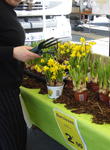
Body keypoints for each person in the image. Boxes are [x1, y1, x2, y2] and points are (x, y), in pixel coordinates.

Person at [0, 0, 40, 150]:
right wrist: (13, 52)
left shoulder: (7, 8)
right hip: (2, 91)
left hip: (8, 87)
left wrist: (20, 55)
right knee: (13, 141)